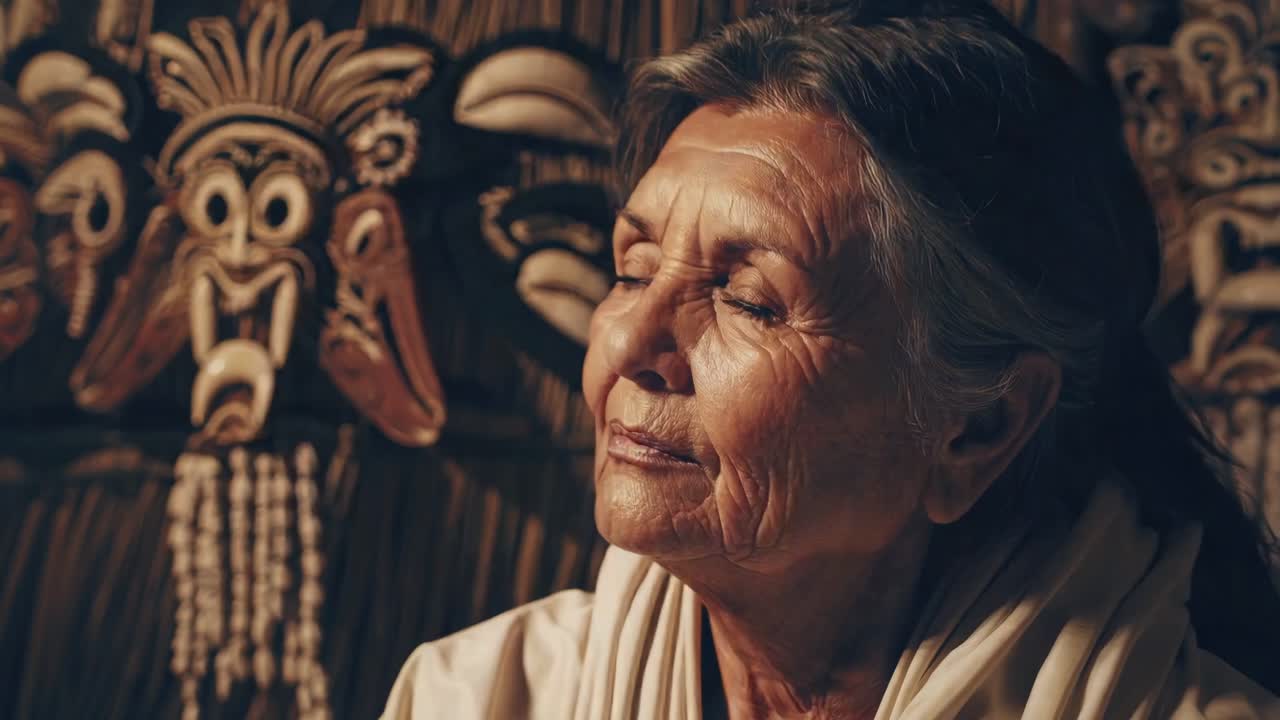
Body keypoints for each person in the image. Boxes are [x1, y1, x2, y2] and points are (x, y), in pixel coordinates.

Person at [382, 1, 1280, 717]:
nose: (630, 347)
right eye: (632, 268)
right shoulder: (481, 697)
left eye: (749, 300)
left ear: (978, 426)